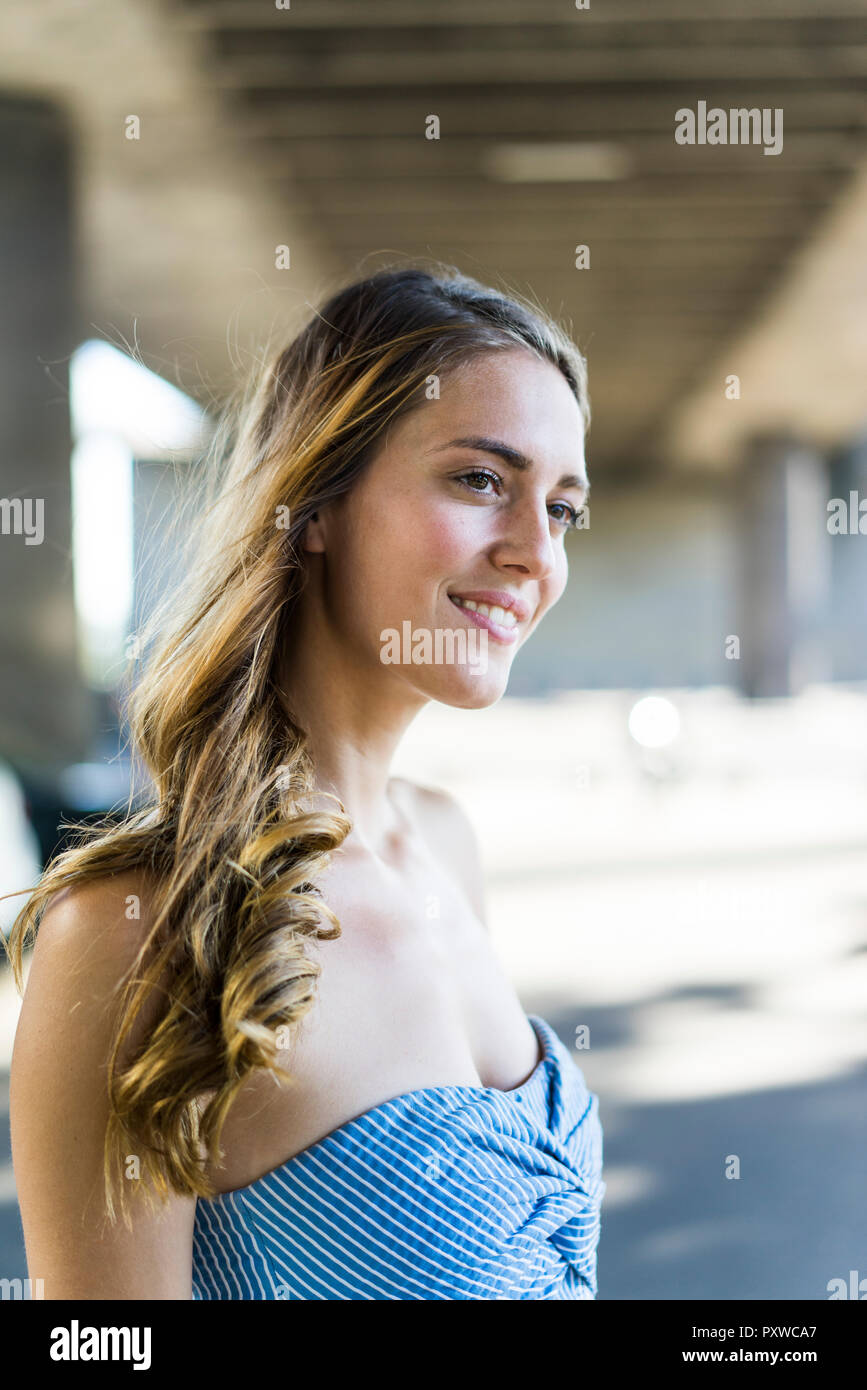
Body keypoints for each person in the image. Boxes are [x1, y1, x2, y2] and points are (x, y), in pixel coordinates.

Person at [5, 264, 605, 1300]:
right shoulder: (133, 933)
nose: (532, 552)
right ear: (315, 504)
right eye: (479, 480)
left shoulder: (446, 843)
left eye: (562, 508)